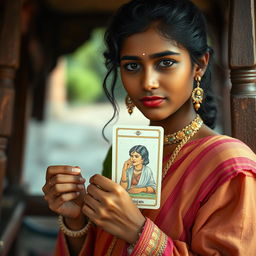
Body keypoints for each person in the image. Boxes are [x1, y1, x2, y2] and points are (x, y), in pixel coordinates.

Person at [42, 0, 256, 255]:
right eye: (132, 66)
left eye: (165, 63)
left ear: (199, 65)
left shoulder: (230, 167)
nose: (148, 82)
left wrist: (137, 231)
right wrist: (76, 219)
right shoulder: (123, 152)